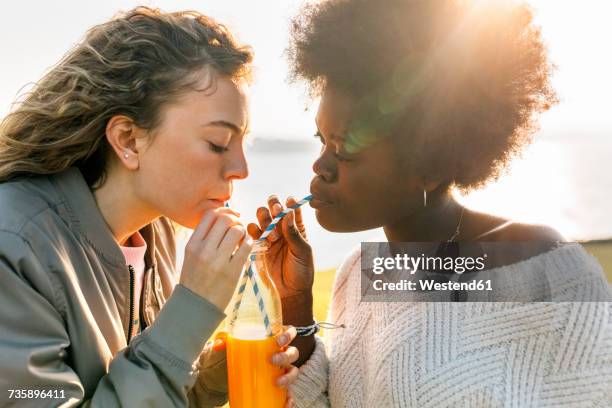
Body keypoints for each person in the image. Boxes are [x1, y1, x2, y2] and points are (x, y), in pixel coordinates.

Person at [248, 0, 612, 406]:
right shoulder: (358, 275)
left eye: (345, 149)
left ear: (430, 162)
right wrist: (295, 300)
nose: (320, 166)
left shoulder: (542, 269)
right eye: (322, 140)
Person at [0, 7, 298, 407]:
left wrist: (220, 372)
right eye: (217, 144)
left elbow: (140, 386)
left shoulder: (159, 235)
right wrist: (192, 309)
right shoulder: (13, 247)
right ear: (128, 139)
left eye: (243, 143)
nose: (241, 170)